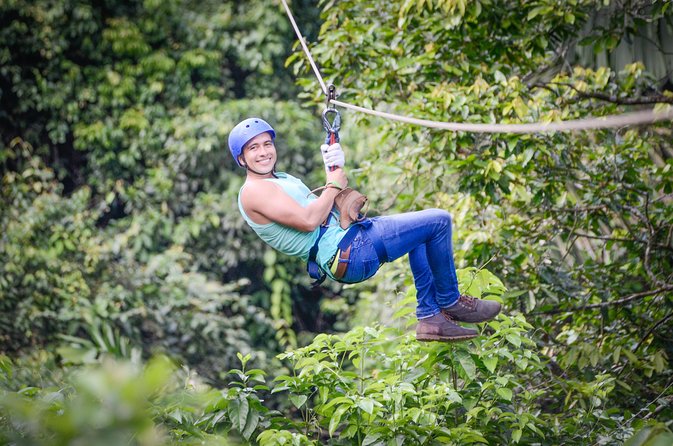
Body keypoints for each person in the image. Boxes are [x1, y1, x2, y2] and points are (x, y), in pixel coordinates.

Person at [229, 117, 501, 342]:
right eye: (253, 149)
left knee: (422, 234)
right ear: (241, 159)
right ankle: (450, 300)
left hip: (349, 244)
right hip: (347, 251)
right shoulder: (253, 191)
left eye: (267, 144)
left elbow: (322, 210)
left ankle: (431, 319)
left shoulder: (280, 180)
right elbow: (309, 220)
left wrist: (333, 168)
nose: (263, 152)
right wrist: (333, 183)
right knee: (438, 221)